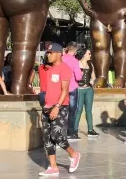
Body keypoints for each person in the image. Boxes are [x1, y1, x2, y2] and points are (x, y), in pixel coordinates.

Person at [39, 43, 80, 176]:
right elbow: (49, 89)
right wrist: (45, 106)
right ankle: (53, 167)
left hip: (60, 106)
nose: (48, 55)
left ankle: (74, 154)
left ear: (58, 54)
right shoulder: (50, 69)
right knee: (47, 138)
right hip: (47, 106)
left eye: (50, 53)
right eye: (48, 53)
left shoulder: (65, 69)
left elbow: (65, 90)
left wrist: (57, 107)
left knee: (57, 135)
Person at [73, 46, 99, 138]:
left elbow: (93, 76)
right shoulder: (77, 63)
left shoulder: (90, 64)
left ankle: (90, 130)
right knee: (78, 110)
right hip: (79, 90)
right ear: (83, 54)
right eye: (89, 53)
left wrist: (92, 81)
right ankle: (74, 130)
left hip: (88, 89)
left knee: (88, 110)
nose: (90, 55)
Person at [62, 42, 83, 140]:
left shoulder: (61, 59)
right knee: (72, 111)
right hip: (72, 88)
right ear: (74, 51)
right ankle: (70, 132)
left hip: (62, 88)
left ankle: (62, 131)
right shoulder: (75, 61)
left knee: (62, 111)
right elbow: (78, 77)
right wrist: (82, 74)